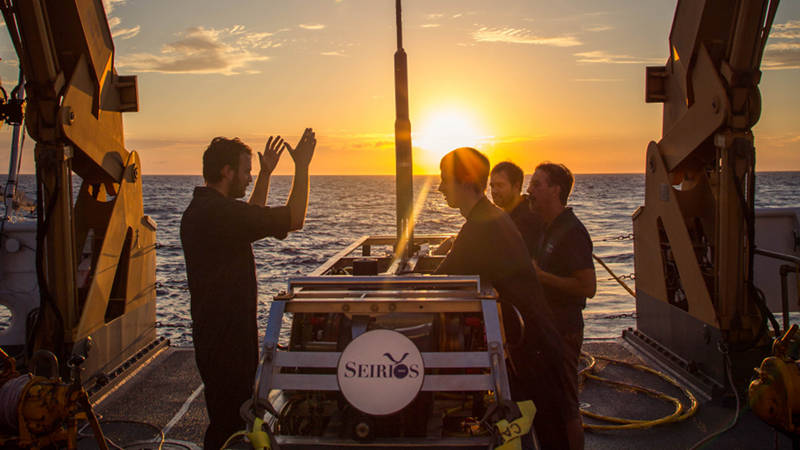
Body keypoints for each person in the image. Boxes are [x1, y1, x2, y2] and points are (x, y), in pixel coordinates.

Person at [434, 148, 583, 450]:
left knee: (549, 436)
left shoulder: (481, 228)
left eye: (444, 179)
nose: (439, 187)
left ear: (464, 181)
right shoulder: (491, 218)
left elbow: (441, 283)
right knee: (544, 433)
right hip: (534, 341)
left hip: (533, 350)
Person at [180, 129, 316, 449]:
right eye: (246, 171)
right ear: (227, 172)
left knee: (229, 419)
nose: (250, 177)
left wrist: (268, 173)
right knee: (228, 427)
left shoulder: (208, 210)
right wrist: (303, 167)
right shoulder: (219, 213)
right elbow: (295, 218)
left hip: (217, 336)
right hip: (225, 342)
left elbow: (248, 221)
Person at [526, 162, 596, 402]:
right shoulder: (548, 227)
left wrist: (542, 277)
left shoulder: (571, 231)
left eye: (536, 184)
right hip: (548, 326)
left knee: (566, 402)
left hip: (564, 329)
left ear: (555, 190)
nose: (529, 190)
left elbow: (588, 287)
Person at [489, 161, 542, 255]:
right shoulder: (506, 216)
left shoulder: (527, 219)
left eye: (500, 185)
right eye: (492, 186)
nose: (494, 191)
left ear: (516, 186)